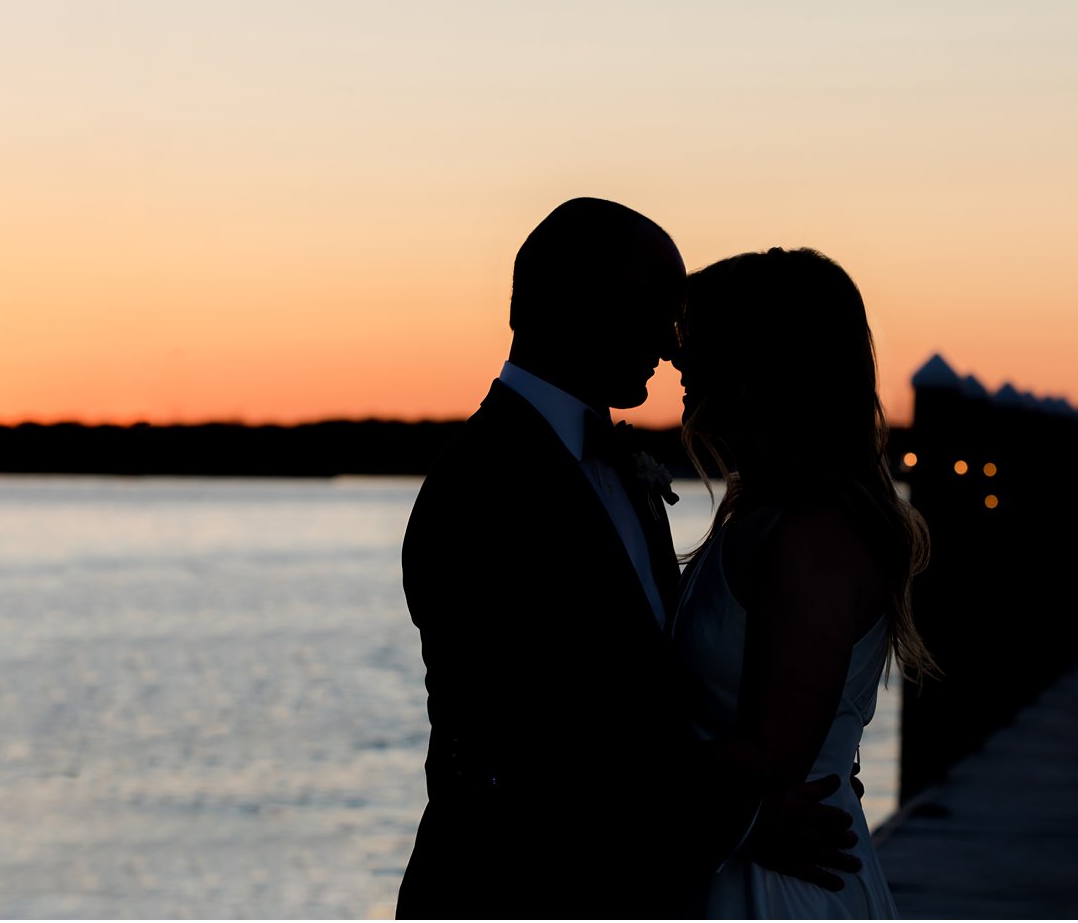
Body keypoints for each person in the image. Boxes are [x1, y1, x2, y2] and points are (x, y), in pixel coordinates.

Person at [397, 201, 860, 920]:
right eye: (661, 304)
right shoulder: (482, 484)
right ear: (580, 301)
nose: (677, 340)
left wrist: (806, 747)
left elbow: (653, 697)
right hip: (515, 891)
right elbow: (529, 744)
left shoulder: (618, 467)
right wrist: (741, 820)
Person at [671, 247, 937, 918]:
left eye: (697, 336)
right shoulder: (762, 517)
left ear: (759, 360)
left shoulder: (813, 536)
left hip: (781, 881)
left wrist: (594, 758)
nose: (677, 356)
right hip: (736, 861)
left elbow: (775, 755)